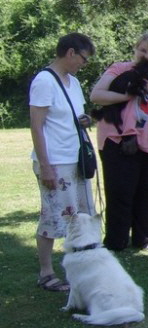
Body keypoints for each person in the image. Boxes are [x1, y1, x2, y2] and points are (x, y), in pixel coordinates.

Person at [91, 32, 148, 251]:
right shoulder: (118, 69)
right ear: (135, 49)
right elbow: (97, 95)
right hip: (119, 140)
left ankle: (145, 239)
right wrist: (127, 95)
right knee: (120, 192)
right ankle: (116, 241)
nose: (147, 55)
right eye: (143, 50)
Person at [29, 33, 95, 291]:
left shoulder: (74, 83)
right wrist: (45, 165)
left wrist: (85, 120)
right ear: (70, 53)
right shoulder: (44, 81)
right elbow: (36, 126)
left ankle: (80, 269)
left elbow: (74, 116)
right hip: (55, 162)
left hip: (75, 158)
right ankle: (46, 273)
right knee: (53, 217)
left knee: (79, 217)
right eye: (83, 59)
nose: (84, 64)